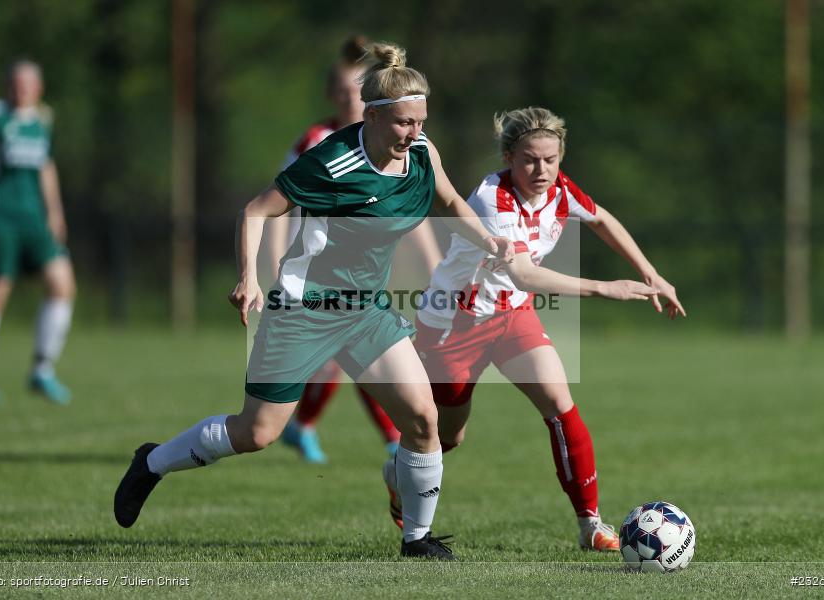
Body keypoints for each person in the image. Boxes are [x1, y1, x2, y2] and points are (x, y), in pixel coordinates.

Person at [114, 42, 514, 560]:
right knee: (257, 432)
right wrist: (249, 278)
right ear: (372, 115)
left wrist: (492, 241)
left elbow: (452, 201)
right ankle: (152, 463)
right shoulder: (331, 163)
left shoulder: (421, 153)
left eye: (420, 121)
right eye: (402, 123)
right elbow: (256, 212)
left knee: (422, 419)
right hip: (306, 309)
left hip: (367, 310)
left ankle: (417, 539)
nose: (414, 133)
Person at [383, 106, 686, 551]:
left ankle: (590, 525)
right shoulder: (492, 198)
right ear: (508, 156)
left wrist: (649, 272)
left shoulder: (560, 189)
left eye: (550, 159)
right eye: (529, 159)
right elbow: (524, 273)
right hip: (453, 324)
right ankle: (398, 471)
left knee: (560, 404)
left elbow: (601, 218)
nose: (541, 169)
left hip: (512, 317)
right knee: (448, 436)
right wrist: (607, 287)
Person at [268, 36, 442, 464]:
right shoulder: (319, 142)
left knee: (375, 356)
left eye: (355, 89)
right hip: (316, 272)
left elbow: (412, 204)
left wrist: (437, 265)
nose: (350, 98)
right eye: (344, 92)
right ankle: (308, 427)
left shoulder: (398, 142)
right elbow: (272, 207)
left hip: (370, 264)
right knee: (339, 364)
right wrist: (270, 270)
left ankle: (371, 436)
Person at [0, 60, 76, 405]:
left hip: (34, 221)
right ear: (6, 85)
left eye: (27, 83)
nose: (20, 89)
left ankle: (42, 370)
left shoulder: (41, 121)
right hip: (0, 219)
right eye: (15, 82)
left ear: (38, 88)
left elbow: (46, 167)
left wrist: (55, 212)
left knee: (63, 285)